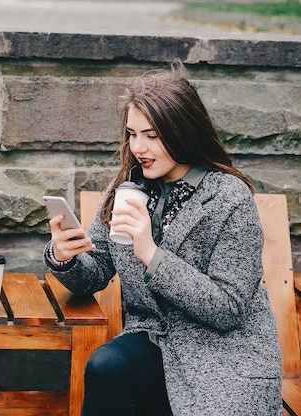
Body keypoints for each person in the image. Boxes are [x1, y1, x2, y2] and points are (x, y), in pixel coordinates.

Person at [44, 63, 282, 415]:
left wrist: (152, 255)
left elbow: (228, 308)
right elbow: (95, 271)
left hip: (225, 360)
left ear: (183, 131)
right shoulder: (127, 189)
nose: (138, 147)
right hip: (155, 343)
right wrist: (66, 256)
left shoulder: (229, 198)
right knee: (105, 366)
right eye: (132, 133)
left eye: (152, 135)